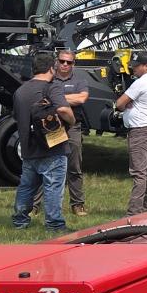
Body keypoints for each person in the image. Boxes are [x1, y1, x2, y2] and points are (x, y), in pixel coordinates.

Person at [10, 50, 75, 233]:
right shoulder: (51, 87)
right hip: (52, 146)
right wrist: (72, 120)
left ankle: (20, 221)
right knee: (53, 186)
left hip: (28, 146)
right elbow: (63, 110)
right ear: (51, 68)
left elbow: (16, 116)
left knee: (26, 186)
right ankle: (54, 225)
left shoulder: (20, 90)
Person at [115, 54, 147, 214]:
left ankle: (134, 211)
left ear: (146, 66)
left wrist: (125, 105)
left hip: (139, 130)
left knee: (138, 172)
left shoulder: (141, 82)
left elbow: (120, 103)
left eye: (136, 65)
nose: (133, 68)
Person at [54, 48, 93, 216]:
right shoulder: (50, 78)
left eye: (68, 62)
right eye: (62, 61)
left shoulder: (79, 79)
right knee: (49, 165)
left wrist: (55, 97)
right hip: (53, 126)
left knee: (74, 166)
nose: (64, 64)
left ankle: (77, 204)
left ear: (73, 64)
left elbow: (82, 98)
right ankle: (36, 204)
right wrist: (70, 98)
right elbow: (42, 97)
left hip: (73, 126)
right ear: (57, 61)